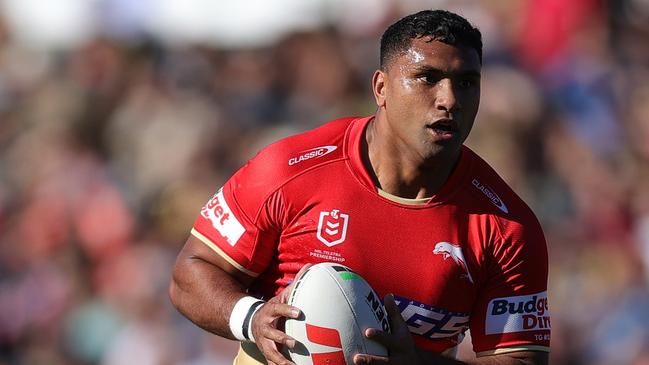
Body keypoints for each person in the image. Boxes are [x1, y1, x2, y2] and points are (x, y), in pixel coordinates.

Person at [169, 9, 550, 365]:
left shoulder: (507, 227)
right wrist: (251, 319)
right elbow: (191, 271)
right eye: (427, 78)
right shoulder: (291, 169)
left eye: (466, 83)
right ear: (381, 88)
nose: (449, 100)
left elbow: (522, 359)